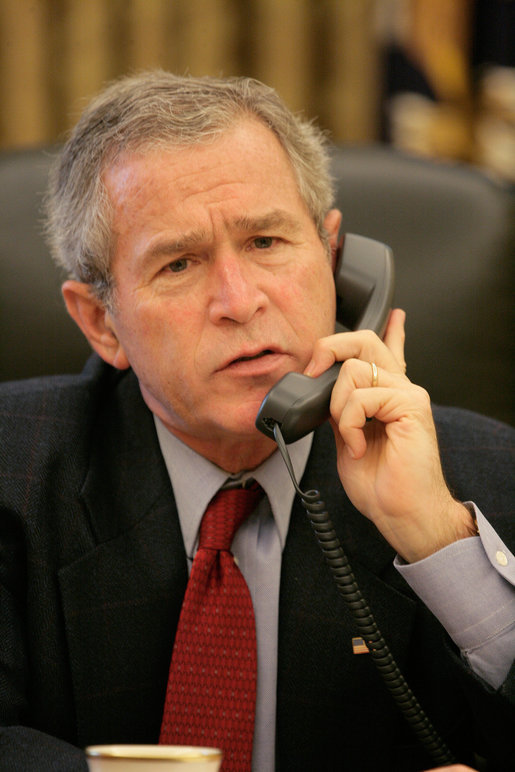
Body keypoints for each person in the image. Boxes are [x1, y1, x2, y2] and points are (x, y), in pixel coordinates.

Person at [0, 71, 513, 772]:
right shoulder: (12, 470)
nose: (239, 301)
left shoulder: (486, 473)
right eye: (178, 263)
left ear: (335, 259)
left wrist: (433, 537)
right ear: (100, 322)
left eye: (267, 243)